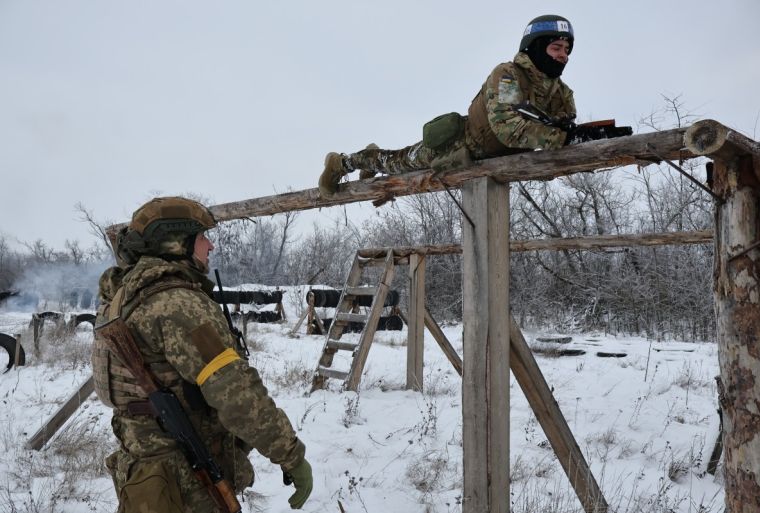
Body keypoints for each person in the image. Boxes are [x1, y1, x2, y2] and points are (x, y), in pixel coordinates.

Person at [92, 196, 312, 512]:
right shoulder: (177, 305)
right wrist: (291, 455)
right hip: (186, 478)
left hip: (145, 474)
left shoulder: (121, 298)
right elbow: (235, 393)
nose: (210, 246)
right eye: (202, 237)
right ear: (175, 242)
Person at [318, 14, 578, 198]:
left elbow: (562, 134)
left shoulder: (560, 93)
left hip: (492, 159)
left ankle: (370, 162)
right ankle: (343, 163)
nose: (563, 55)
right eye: (556, 47)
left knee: (394, 164)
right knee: (396, 162)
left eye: (566, 49)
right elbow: (507, 128)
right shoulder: (509, 74)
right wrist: (560, 137)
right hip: (456, 145)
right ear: (535, 47)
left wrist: (571, 137)